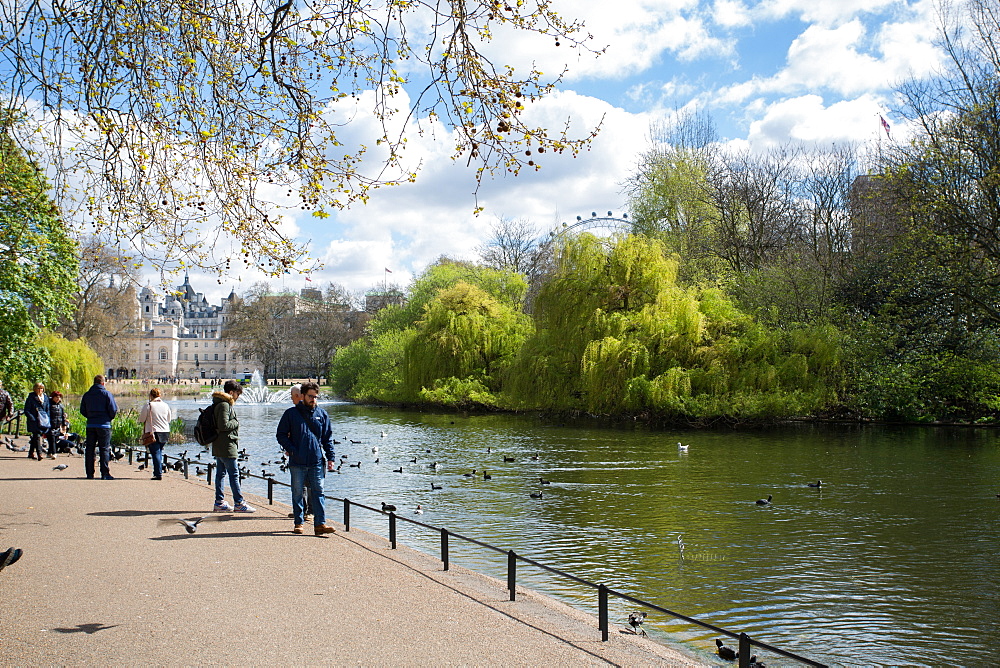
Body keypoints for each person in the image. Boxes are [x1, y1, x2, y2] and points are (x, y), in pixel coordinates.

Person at [276, 382, 336, 536]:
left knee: (319, 492)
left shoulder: (322, 414)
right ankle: (299, 522)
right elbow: (281, 434)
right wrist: (291, 449)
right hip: (297, 461)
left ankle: (320, 524)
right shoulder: (291, 414)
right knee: (297, 492)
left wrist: (330, 457)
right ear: (302, 396)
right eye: (310, 396)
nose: (313, 399)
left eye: (315, 397)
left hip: (316, 460)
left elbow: (327, 438)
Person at [211, 380, 255, 513]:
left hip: (220, 444)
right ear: (231, 392)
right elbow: (224, 425)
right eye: (237, 394)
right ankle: (239, 502)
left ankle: (219, 502)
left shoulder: (219, 403)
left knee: (220, 474)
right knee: (234, 474)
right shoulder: (224, 405)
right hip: (227, 445)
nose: (238, 397)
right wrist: (236, 422)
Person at [80, 375, 118, 480]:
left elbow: (82, 410)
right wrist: (108, 418)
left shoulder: (87, 395)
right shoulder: (106, 394)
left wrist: (90, 416)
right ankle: (105, 473)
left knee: (90, 449)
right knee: (104, 449)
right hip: (104, 424)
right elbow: (113, 409)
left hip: (91, 424)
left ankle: (89, 473)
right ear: (102, 383)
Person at [138, 388, 172, 480]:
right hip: (165, 431)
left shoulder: (149, 405)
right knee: (159, 451)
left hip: (153, 432)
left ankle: (158, 474)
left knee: (156, 453)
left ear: (151, 395)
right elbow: (169, 419)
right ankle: (159, 471)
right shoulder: (166, 405)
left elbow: (141, 419)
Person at [24, 383, 51, 460]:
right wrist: (32, 418)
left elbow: (47, 409)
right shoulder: (31, 398)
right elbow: (27, 410)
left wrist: (47, 418)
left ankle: (31, 452)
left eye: (41, 388)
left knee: (35, 437)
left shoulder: (45, 398)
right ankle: (39, 453)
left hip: (42, 420)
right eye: (38, 388)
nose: (40, 390)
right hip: (34, 420)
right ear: (35, 389)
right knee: (37, 436)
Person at [46, 391, 69, 459]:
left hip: (57, 425)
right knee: (52, 439)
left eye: (59, 397)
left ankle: (49, 452)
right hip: (50, 425)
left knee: (55, 440)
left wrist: (64, 426)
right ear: (52, 397)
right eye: (56, 397)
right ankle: (54, 453)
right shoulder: (48, 405)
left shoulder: (61, 406)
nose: (58, 399)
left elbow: (62, 416)